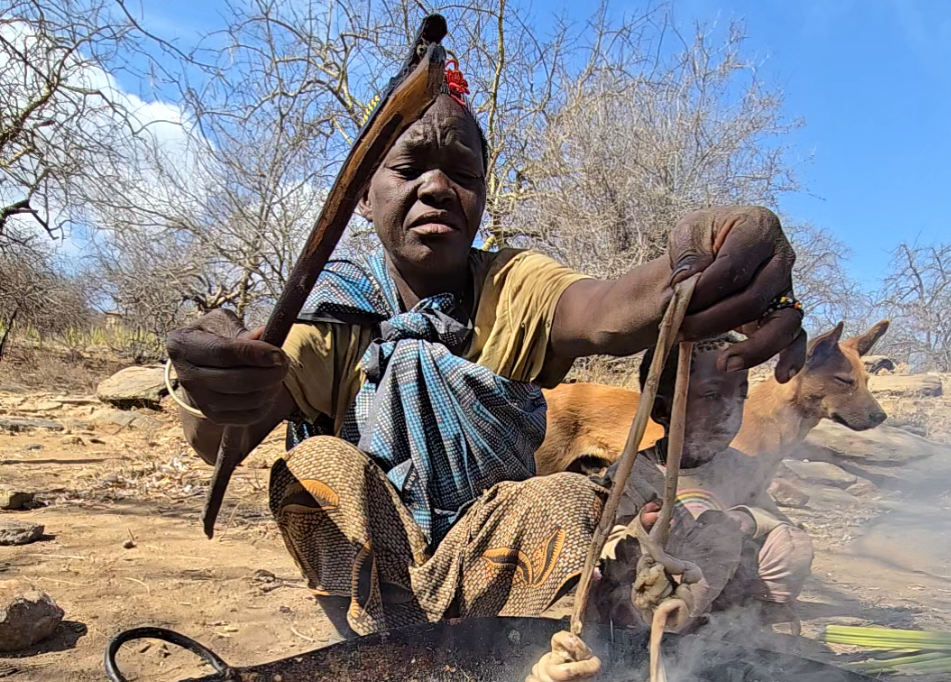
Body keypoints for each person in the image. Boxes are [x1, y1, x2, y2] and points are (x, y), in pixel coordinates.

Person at [166, 60, 806, 638]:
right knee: (320, 467)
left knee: (567, 498)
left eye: (464, 173)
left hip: (496, 569)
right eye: (410, 167)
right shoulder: (331, 313)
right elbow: (225, 428)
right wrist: (212, 380)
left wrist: (686, 268)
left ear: (481, 195)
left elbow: (606, 309)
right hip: (378, 577)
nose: (440, 188)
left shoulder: (512, 285)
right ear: (364, 195)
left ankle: (503, 664)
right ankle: (376, 660)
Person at [595, 337, 813, 629]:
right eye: (712, 396)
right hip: (648, 595)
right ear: (662, 410)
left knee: (792, 542)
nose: (730, 410)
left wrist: (748, 519)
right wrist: (641, 529)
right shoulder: (633, 472)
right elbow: (605, 547)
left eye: (740, 397)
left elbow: (774, 521)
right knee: (717, 537)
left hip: (723, 590)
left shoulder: (741, 467)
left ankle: (755, 624)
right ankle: (671, 625)